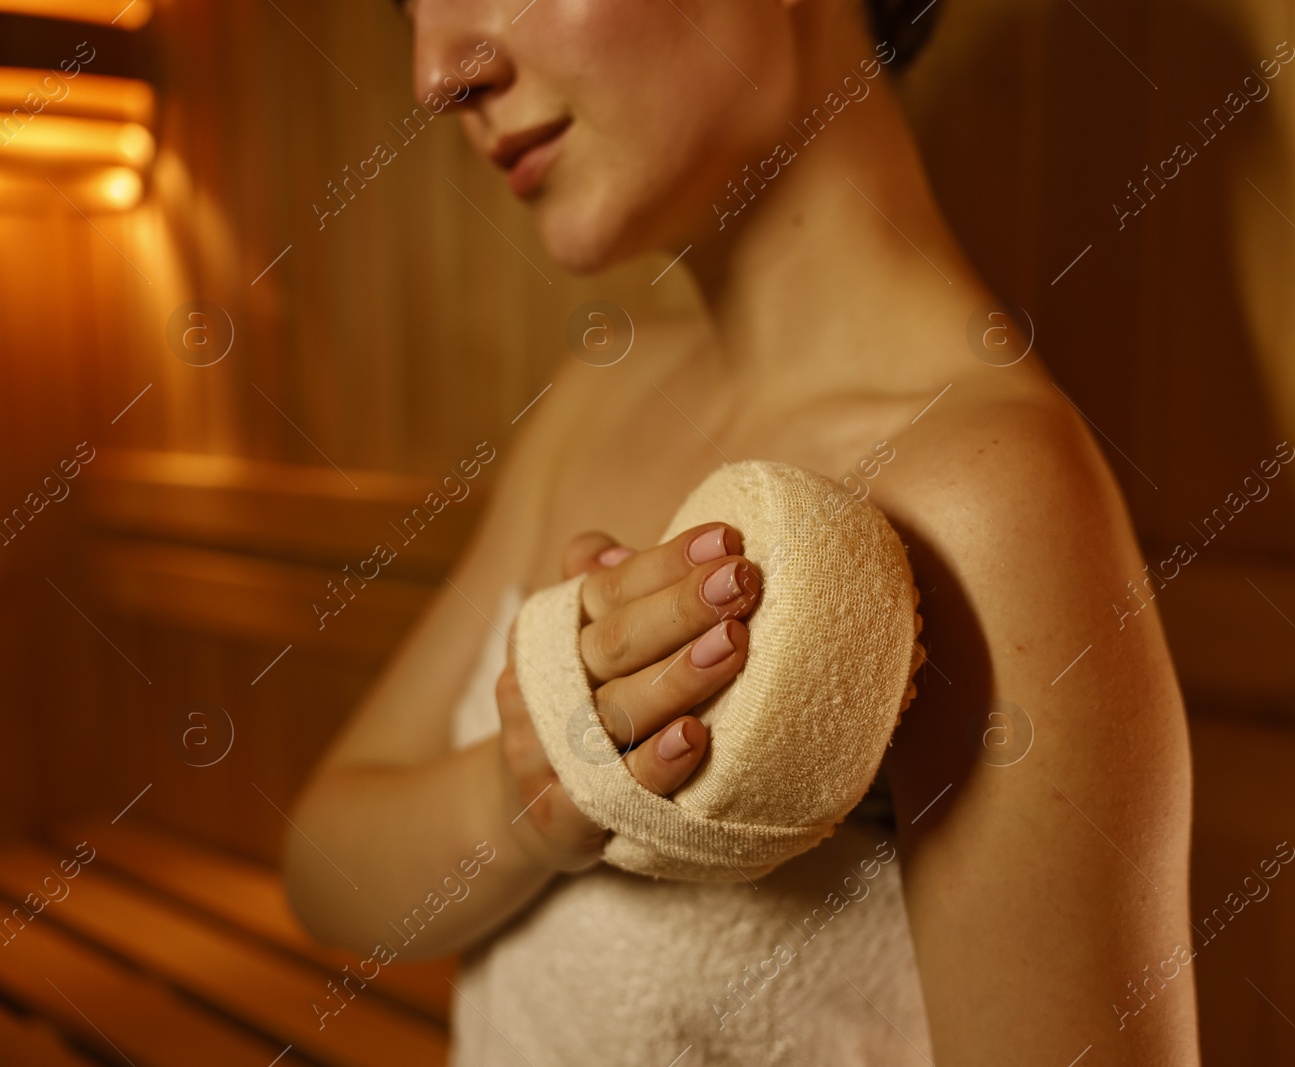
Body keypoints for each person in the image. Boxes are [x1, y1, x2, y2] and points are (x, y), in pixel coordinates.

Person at [285, 0, 1200, 1062]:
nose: (437, 71)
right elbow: (325, 863)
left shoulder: (987, 502)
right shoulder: (596, 393)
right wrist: (530, 792)